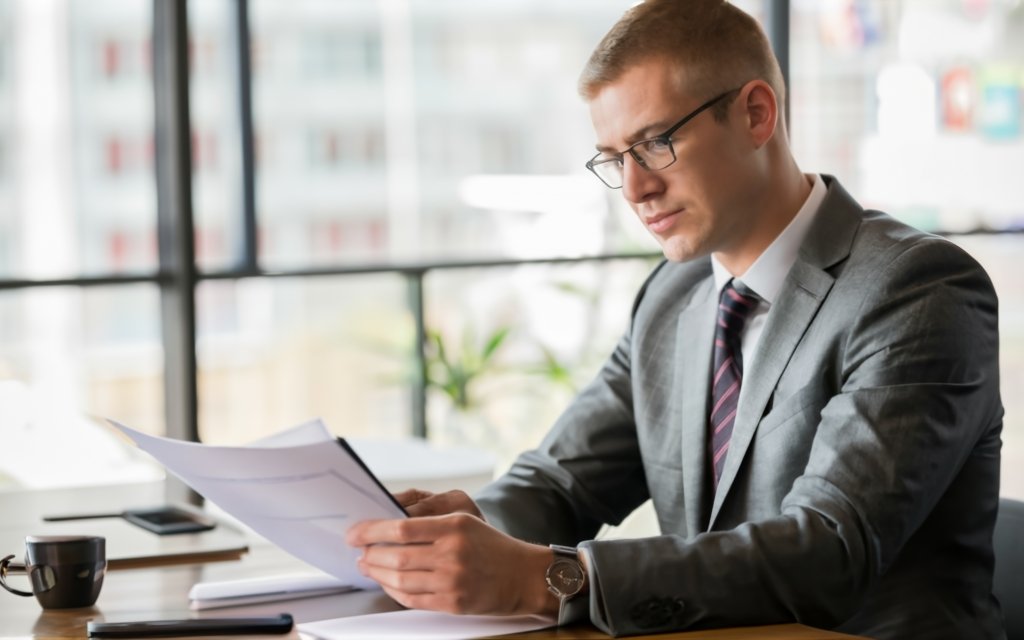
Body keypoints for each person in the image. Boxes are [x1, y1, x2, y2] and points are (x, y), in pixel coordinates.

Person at [346, 1, 1006, 638]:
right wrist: (453, 536)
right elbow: (561, 480)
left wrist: (548, 579)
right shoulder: (673, 295)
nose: (634, 190)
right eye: (614, 159)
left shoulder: (918, 289)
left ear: (755, 114)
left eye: (655, 143)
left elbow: (828, 552)